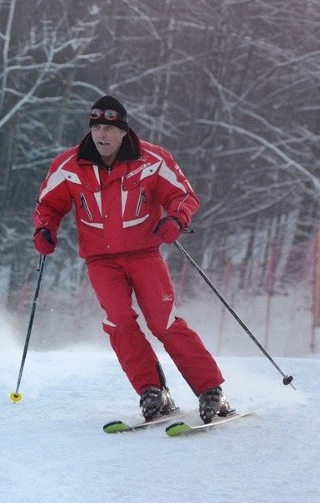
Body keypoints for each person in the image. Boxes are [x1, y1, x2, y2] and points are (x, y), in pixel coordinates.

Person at [32, 94, 230, 423]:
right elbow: (49, 206)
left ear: (124, 131)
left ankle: (212, 392)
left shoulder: (152, 159)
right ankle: (152, 392)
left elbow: (182, 195)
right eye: (97, 127)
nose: (102, 135)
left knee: (163, 323)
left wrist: (175, 220)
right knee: (119, 323)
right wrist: (44, 231)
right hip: (101, 262)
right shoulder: (68, 166)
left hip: (144, 255)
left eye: (110, 128)